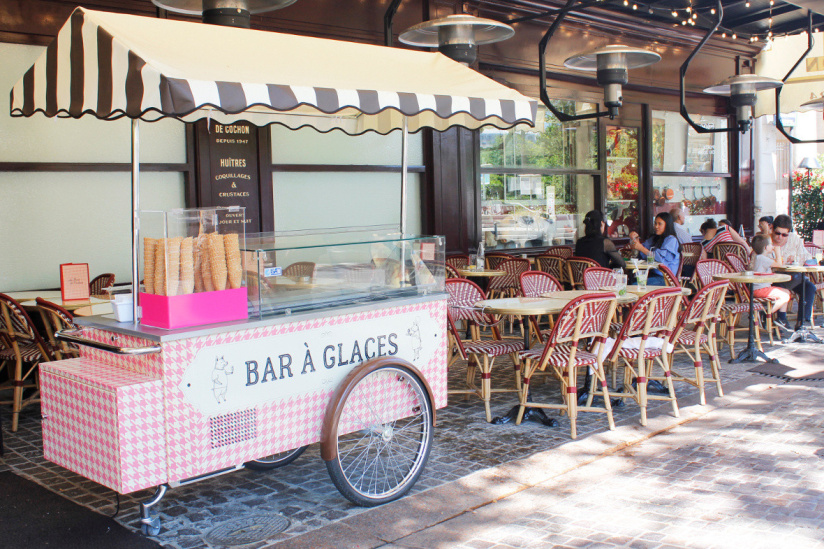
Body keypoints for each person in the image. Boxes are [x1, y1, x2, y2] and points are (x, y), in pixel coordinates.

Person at [770, 214, 817, 328]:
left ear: (789, 233)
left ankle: (801, 325)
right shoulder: (766, 241)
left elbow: (807, 257)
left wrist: (796, 259)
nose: (780, 237)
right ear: (772, 229)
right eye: (777, 233)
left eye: (784, 234)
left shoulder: (794, 239)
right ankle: (781, 319)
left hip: (792, 278)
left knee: (810, 287)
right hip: (773, 279)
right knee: (792, 280)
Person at [750, 234, 793, 333]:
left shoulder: (758, 257)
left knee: (786, 291)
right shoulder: (762, 258)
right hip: (760, 289)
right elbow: (778, 264)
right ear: (766, 247)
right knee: (785, 296)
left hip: (759, 288)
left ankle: (781, 319)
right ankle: (766, 314)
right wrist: (777, 252)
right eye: (770, 244)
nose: (772, 246)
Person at [629, 212, 681, 286]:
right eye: (655, 223)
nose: (656, 226)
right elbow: (641, 249)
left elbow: (659, 258)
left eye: (660, 224)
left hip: (665, 278)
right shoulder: (654, 238)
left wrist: (641, 248)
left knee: (635, 285)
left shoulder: (671, 240)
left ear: (667, 225)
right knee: (630, 280)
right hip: (651, 273)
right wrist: (635, 239)